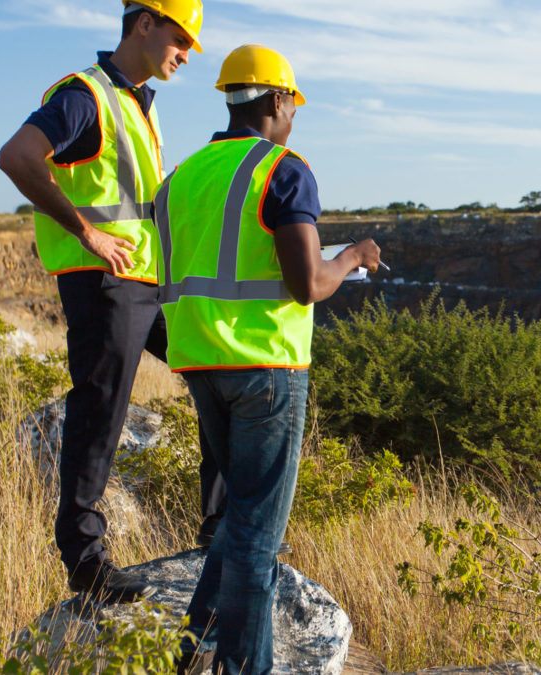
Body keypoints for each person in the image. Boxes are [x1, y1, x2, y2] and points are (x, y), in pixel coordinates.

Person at [153, 44, 380, 674]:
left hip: (200, 363)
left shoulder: (182, 177)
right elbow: (308, 283)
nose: (294, 117)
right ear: (278, 100)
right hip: (266, 369)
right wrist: (353, 257)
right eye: (293, 105)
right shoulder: (283, 170)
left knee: (241, 514)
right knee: (258, 536)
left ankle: (192, 646)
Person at [0, 0, 221, 603]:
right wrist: (86, 233)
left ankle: (221, 526)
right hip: (104, 279)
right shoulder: (85, 94)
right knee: (100, 409)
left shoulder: (139, 103)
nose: (185, 54)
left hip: (149, 279)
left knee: (217, 370)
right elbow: (16, 157)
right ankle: (85, 561)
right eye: (180, 39)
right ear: (144, 23)